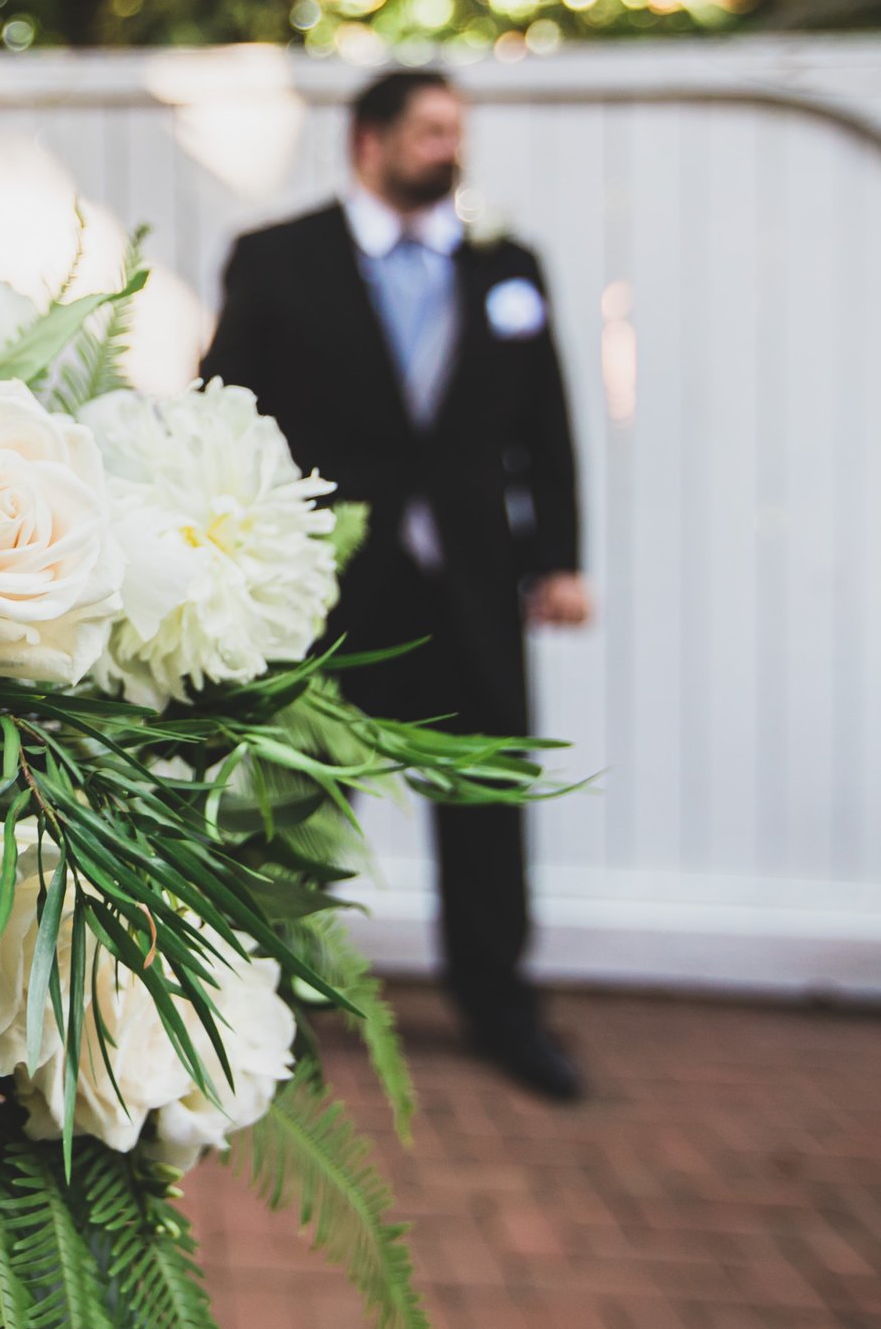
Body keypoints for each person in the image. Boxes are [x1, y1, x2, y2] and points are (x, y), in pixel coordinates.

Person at [200, 70, 591, 1100]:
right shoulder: (277, 260)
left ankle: (501, 1003)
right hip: (328, 586)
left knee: (486, 793)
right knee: (291, 794)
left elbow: (543, 423)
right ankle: (265, 1006)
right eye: (427, 130)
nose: (446, 146)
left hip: (470, 580)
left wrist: (559, 557)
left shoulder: (508, 266)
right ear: (366, 141)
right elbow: (223, 414)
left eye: (454, 131)